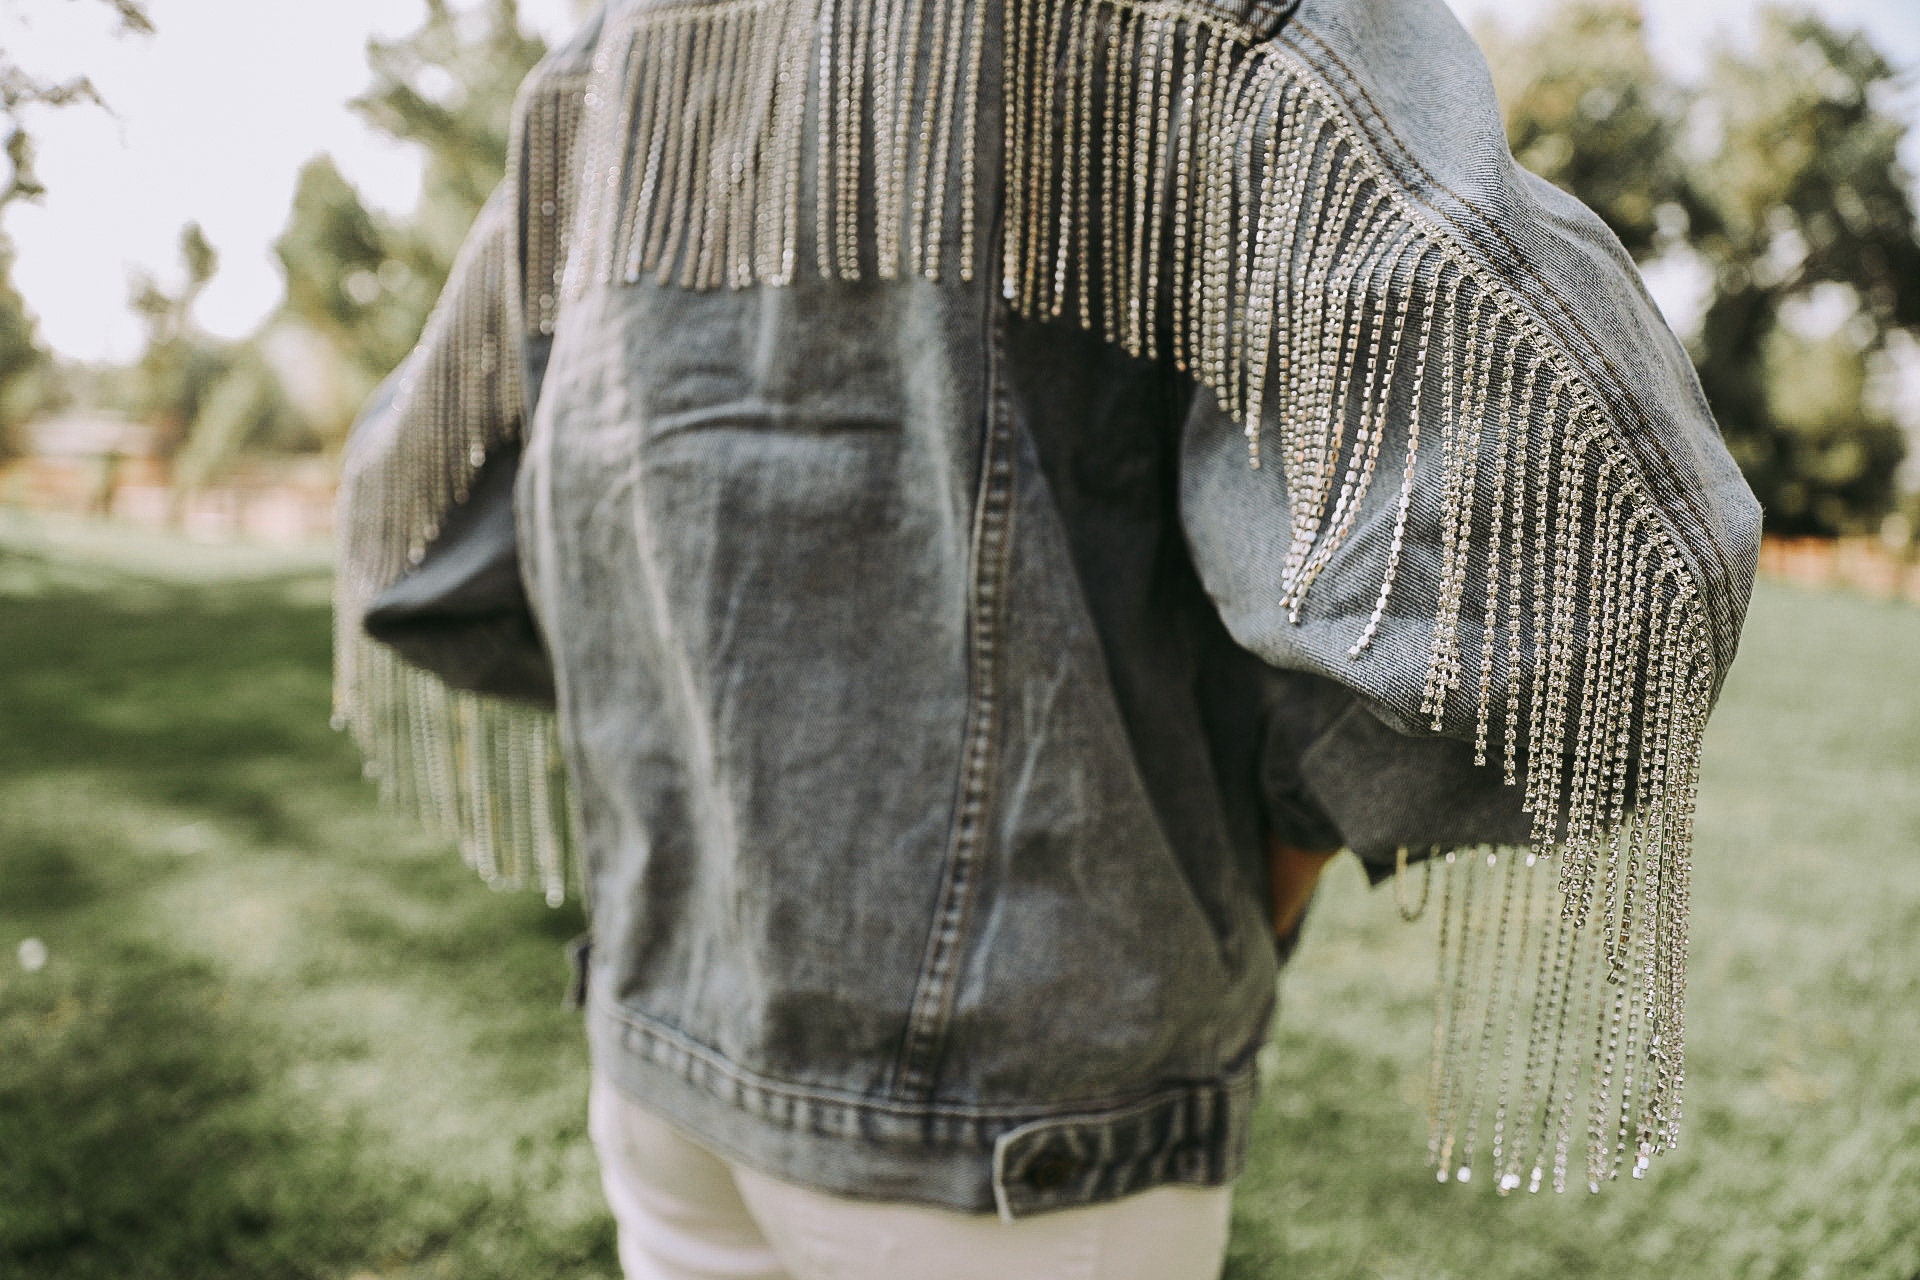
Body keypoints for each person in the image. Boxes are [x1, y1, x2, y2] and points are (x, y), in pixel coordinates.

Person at [333, 0, 1761, 1275]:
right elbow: (1610, 546)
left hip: (667, 1061)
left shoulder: (606, 56)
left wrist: (685, 709)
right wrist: (1277, 850)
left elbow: (415, 526)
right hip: (1021, 1133)